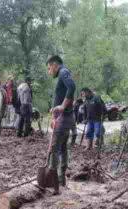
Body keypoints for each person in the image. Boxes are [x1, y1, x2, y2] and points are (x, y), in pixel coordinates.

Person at [47, 55, 76, 193]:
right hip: (64, 118)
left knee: (54, 149)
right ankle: (61, 180)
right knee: (63, 149)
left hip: (64, 118)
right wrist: (55, 111)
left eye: (49, 68)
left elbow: (72, 87)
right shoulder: (63, 73)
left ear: (54, 65)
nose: (49, 71)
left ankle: (54, 184)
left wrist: (62, 106)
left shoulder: (63, 72)